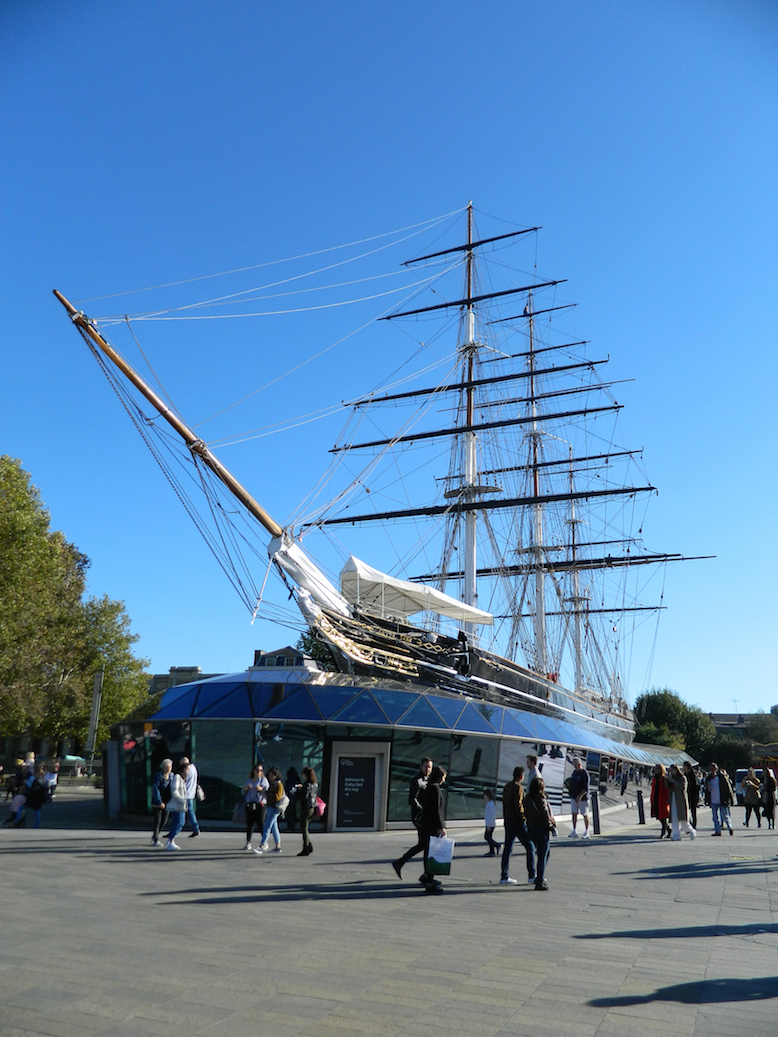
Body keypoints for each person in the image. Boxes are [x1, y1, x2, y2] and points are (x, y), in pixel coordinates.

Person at [392, 757, 433, 878]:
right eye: (425, 766)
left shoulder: (428, 781)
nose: (427, 769)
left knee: (424, 844)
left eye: (429, 767)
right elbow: (411, 798)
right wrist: (420, 808)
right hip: (419, 817)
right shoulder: (416, 780)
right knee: (425, 844)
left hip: (426, 817)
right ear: (421, 767)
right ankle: (426, 873)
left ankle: (400, 862)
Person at [500, 765, 535, 886]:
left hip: (508, 821)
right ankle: (532, 875)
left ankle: (504, 875)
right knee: (529, 846)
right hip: (517, 821)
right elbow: (519, 805)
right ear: (521, 776)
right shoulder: (518, 787)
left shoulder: (507, 786)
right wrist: (524, 817)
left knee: (507, 848)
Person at [419, 765, 447, 894]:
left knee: (428, 852)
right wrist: (441, 826)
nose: (444, 780)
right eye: (444, 777)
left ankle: (427, 877)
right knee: (432, 854)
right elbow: (437, 809)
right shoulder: (435, 789)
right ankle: (429, 882)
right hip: (432, 827)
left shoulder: (428, 788)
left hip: (426, 825)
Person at [525, 777, 556, 891]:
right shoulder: (541, 799)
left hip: (531, 829)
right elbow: (545, 814)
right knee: (543, 855)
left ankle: (539, 876)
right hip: (541, 830)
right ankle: (540, 880)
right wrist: (551, 827)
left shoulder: (527, 799)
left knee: (543, 854)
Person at [242, 763, 268, 853]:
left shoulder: (263, 780)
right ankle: (248, 842)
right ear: (254, 771)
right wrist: (246, 788)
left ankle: (264, 842)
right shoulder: (249, 780)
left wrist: (260, 789)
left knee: (261, 822)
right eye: (257, 770)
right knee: (250, 823)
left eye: (261, 770)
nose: (259, 772)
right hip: (250, 803)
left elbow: (267, 790)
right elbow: (243, 791)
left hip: (260, 803)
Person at [665, 765, 696, 840]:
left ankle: (691, 831)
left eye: (672, 770)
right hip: (673, 799)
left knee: (683, 820)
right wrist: (666, 780)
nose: (671, 772)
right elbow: (667, 787)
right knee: (674, 818)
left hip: (680, 800)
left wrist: (673, 781)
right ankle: (676, 834)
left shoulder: (682, 778)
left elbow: (683, 787)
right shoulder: (672, 778)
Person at [259, 767, 285, 852]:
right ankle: (278, 845)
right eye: (269, 776)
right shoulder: (273, 784)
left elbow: (277, 797)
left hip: (275, 808)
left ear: (276, 776)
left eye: (272, 776)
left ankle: (262, 845)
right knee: (274, 827)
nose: (270, 777)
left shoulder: (278, 785)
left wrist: (267, 796)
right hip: (271, 807)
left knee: (267, 826)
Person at [705, 762, 734, 836]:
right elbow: (707, 790)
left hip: (722, 799)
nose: (712, 770)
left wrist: (731, 799)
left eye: (713, 768)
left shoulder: (721, 777)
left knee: (725, 815)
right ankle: (718, 831)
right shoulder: (709, 778)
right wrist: (707, 799)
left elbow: (728, 788)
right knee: (715, 817)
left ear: (716, 768)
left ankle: (729, 827)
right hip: (713, 800)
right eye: (711, 769)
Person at [165, 761, 189, 850]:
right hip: (176, 805)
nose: (188, 771)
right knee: (178, 823)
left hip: (180, 806)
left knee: (180, 823)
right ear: (183, 769)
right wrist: (182, 800)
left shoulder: (182, 779)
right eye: (187, 769)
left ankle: (171, 840)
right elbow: (174, 791)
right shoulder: (177, 777)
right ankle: (170, 841)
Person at [295, 766, 318, 856]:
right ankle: (309, 845)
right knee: (305, 827)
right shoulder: (315, 783)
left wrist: (299, 791)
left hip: (306, 807)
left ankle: (306, 847)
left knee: (303, 827)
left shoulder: (307, 784)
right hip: (312, 807)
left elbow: (305, 796)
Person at [151, 758, 173, 847]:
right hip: (158, 803)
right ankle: (156, 839)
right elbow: (155, 789)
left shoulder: (172, 777)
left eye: (170, 767)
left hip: (167, 802)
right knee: (158, 820)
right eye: (166, 767)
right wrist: (159, 802)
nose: (168, 769)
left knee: (164, 820)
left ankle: (155, 835)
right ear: (163, 767)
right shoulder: (158, 776)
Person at [568, 758, 591, 838]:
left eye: (575, 764)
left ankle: (587, 831)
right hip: (574, 796)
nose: (574, 765)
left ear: (579, 764)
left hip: (583, 798)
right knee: (574, 813)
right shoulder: (574, 772)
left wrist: (579, 797)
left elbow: (585, 788)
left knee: (585, 814)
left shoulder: (584, 773)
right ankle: (574, 830)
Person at [178, 755, 200, 838]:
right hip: (191, 793)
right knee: (190, 811)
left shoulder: (187, 771)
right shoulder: (194, 768)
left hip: (185, 794)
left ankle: (178, 828)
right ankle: (195, 828)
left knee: (182, 811)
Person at [650, 764, 671, 838]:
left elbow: (667, 790)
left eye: (657, 769)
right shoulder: (655, 778)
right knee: (659, 816)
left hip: (662, 800)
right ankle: (668, 829)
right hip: (656, 799)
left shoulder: (664, 779)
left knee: (663, 817)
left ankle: (663, 832)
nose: (655, 770)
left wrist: (667, 800)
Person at [482, 788, 500, 856]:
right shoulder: (490, 804)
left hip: (490, 824)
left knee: (487, 837)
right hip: (490, 824)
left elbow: (491, 815)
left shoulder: (490, 804)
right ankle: (492, 851)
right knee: (489, 837)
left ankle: (497, 845)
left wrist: (488, 825)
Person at [683, 762, 699, 830]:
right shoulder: (684, 775)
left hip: (692, 796)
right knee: (686, 811)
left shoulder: (693, 775)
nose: (683, 767)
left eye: (684, 766)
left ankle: (694, 825)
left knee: (693, 811)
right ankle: (689, 823)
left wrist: (695, 795)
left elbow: (697, 786)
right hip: (686, 796)